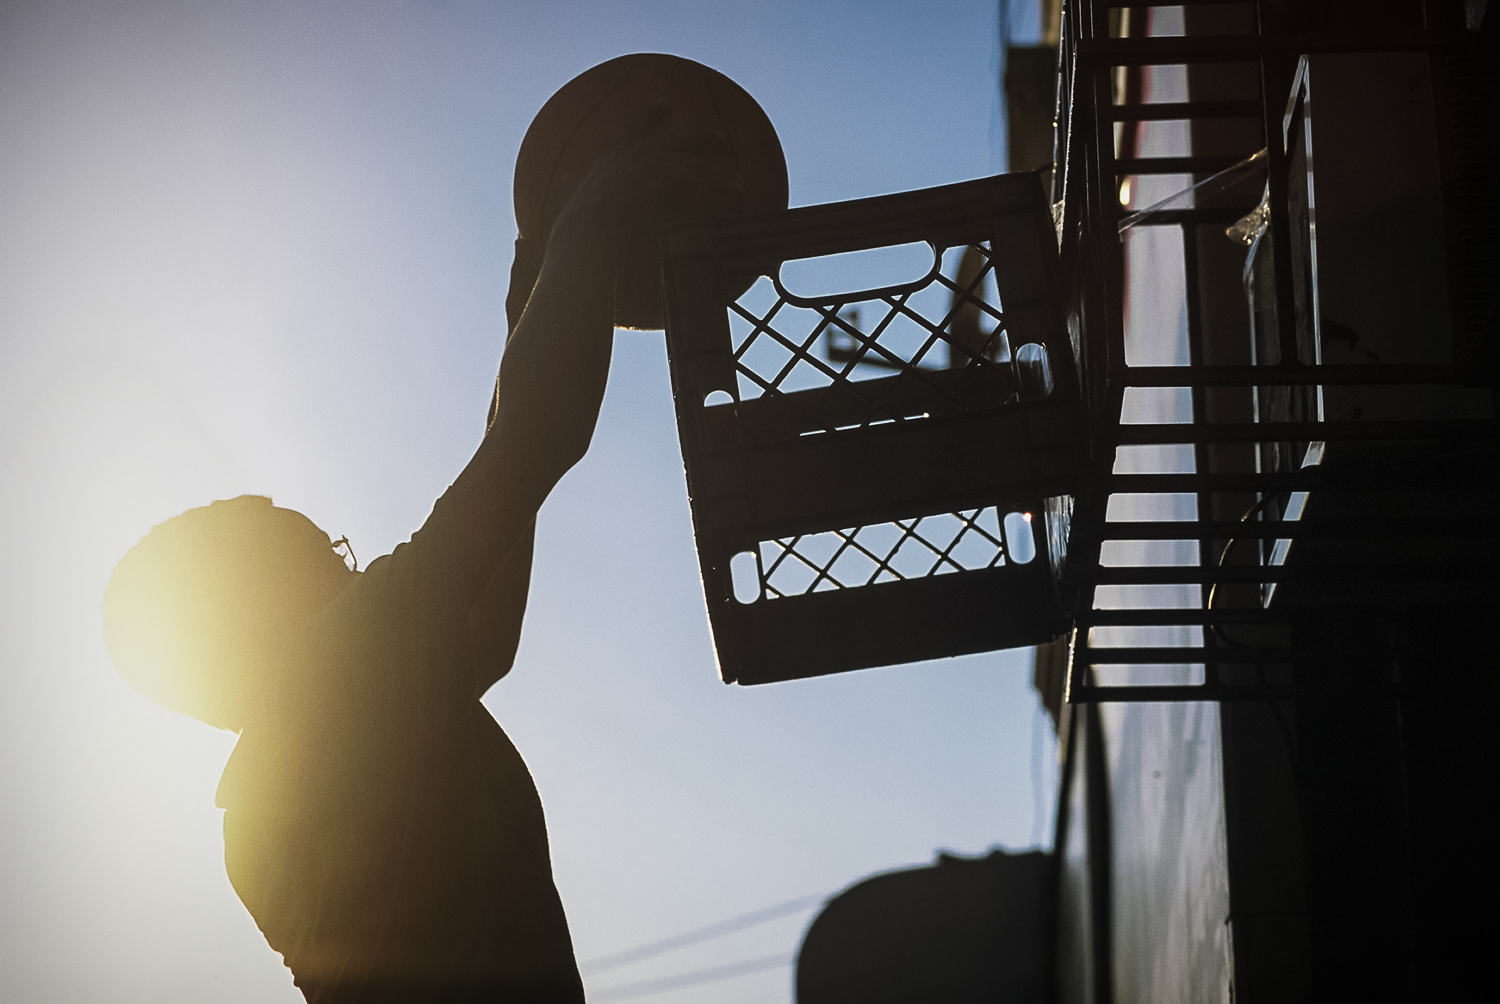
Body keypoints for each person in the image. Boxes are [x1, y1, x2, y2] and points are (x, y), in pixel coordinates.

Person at [102, 105, 742, 1003]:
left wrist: (534, 309)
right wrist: (596, 215)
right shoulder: (331, 683)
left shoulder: (287, 779)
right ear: (250, 601)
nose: (344, 557)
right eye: (314, 544)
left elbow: (485, 634)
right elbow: (531, 446)